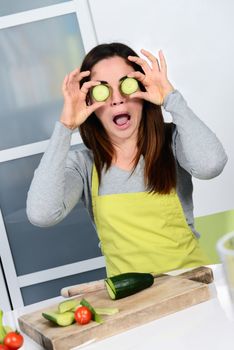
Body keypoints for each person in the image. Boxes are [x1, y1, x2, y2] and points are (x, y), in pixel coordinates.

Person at [26, 42, 227, 277]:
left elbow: (211, 165)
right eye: (102, 90)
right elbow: (41, 214)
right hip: (130, 302)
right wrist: (65, 127)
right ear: (89, 101)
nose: (117, 100)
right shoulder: (82, 165)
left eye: (126, 86)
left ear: (143, 91)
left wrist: (171, 98)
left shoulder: (172, 141)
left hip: (193, 285)